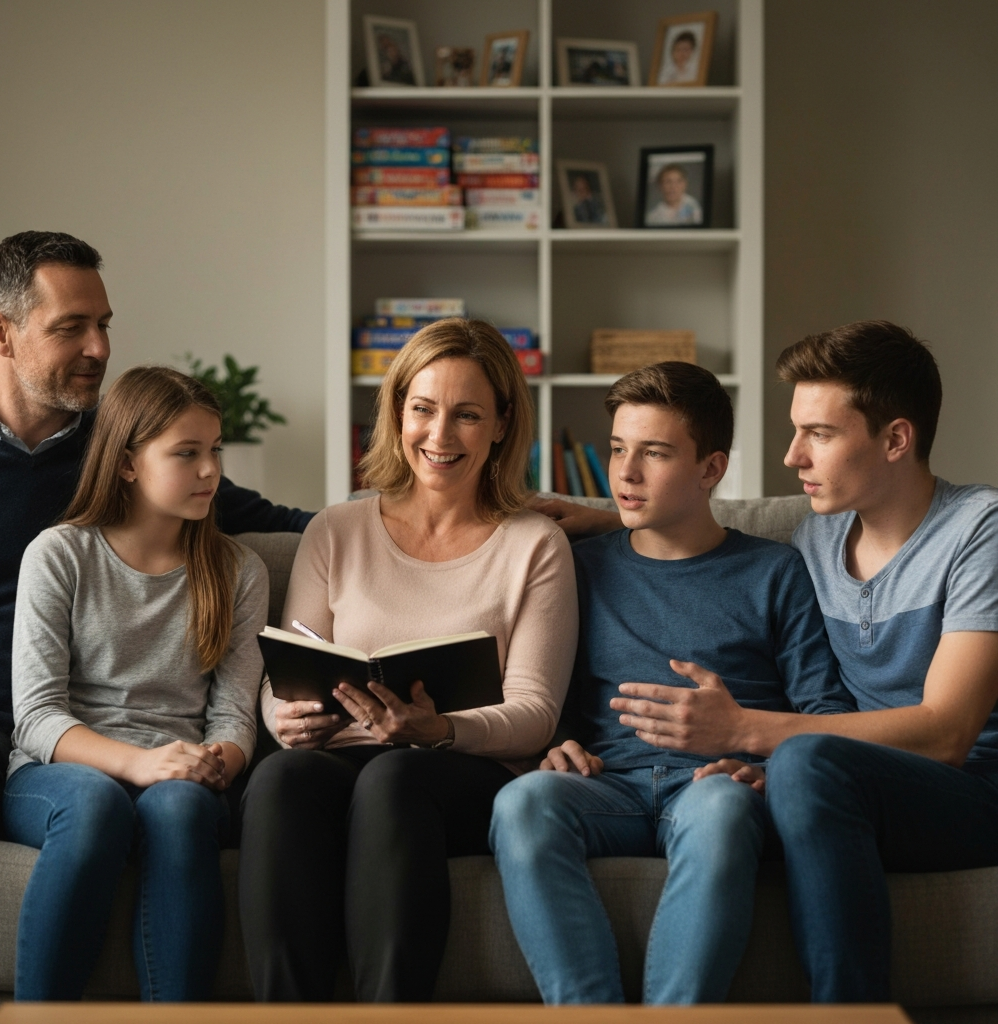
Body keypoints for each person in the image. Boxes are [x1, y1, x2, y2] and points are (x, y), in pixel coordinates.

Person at [602, 322, 998, 1002]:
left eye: (819, 433)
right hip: (839, 787)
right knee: (783, 775)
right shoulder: (816, 534)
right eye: (796, 431)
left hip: (969, 794)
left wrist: (747, 732)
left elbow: (946, 734)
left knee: (806, 758)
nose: (792, 457)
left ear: (896, 439)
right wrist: (585, 519)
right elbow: (689, 526)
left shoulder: (977, 529)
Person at [489, 362, 853, 1005]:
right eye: (618, 449)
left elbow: (823, 707)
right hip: (609, 785)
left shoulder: (775, 570)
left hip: (714, 785)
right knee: (522, 803)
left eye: (654, 453)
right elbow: (547, 684)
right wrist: (562, 739)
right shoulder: (577, 566)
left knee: (719, 810)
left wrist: (768, 770)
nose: (624, 474)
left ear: (711, 469)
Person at [238, 318, 578, 1002]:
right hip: (343, 754)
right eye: (422, 409)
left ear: (503, 425)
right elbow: (289, 669)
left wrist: (440, 730)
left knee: (394, 779)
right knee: (280, 782)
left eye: (467, 415)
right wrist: (287, 718)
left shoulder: (535, 545)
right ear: (397, 414)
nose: (440, 436)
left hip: (461, 772)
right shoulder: (336, 529)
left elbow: (536, 714)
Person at [0, 230, 312, 839]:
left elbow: (286, 523)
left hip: (80, 726)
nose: (99, 347)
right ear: (2, 334)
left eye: (103, 324)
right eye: (71, 327)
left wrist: (475, 504)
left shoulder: (131, 452)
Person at [4, 365, 269, 1001]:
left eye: (215, 451)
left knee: (180, 809)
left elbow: (234, 715)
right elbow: (36, 717)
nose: (211, 471)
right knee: (95, 805)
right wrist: (140, 763)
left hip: (179, 773)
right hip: (60, 772)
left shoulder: (239, 571)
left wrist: (216, 763)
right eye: (187, 453)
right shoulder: (59, 554)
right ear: (126, 464)